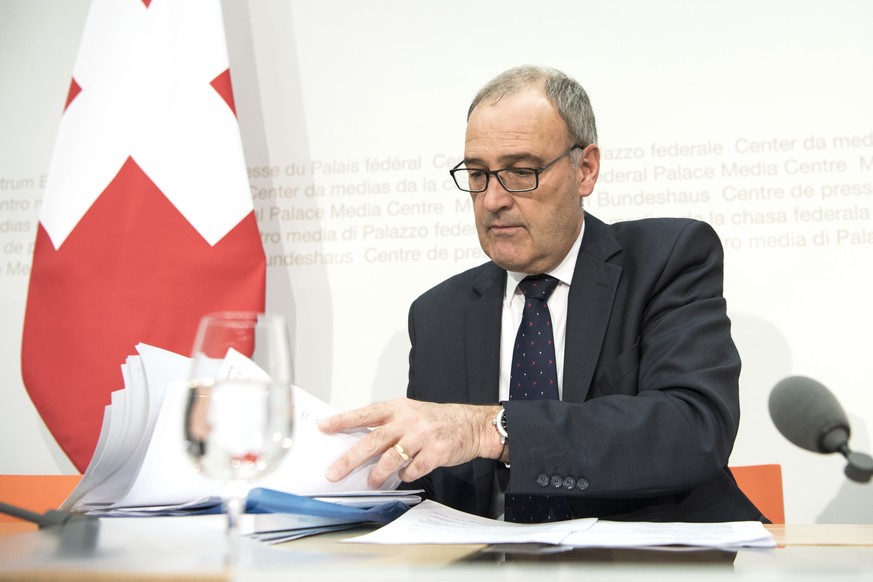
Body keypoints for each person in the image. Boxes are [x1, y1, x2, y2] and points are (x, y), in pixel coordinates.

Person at [318, 65, 767, 523]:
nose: (493, 199)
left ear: (585, 170)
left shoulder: (665, 260)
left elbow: (692, 429)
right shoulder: (440, 313)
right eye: (477, 174)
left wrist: (492, 428)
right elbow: (437, 489)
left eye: (521, 171)